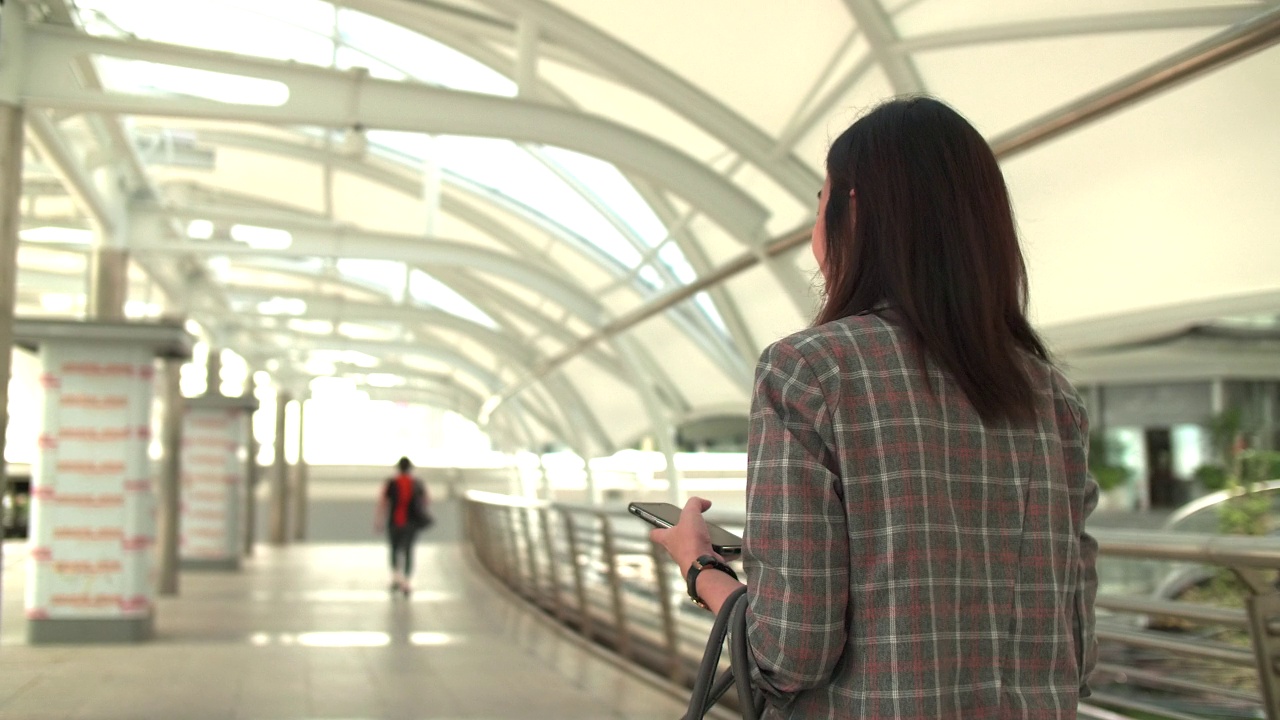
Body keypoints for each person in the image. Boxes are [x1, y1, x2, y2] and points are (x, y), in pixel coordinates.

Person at [651, 96, 1098, 718]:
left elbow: (788, 653)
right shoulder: (1053, 399)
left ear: (853, 210)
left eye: (821, 202)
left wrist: (699, 564)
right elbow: (1076, 648)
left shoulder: (809, 371)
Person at [375, 456, 430, 596]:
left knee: (394, 549)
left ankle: (395, 577)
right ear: (410, 468)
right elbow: (426, 500)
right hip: (411, 523)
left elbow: (383, 502)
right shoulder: (416, 483)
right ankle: (406, 581)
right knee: (408, 550)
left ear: (398, 468)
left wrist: (379, 520)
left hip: (394, 521)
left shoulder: (392, 483)